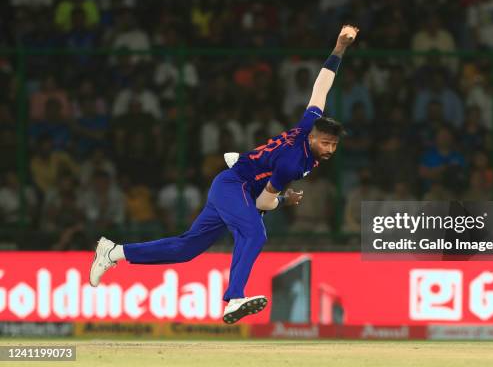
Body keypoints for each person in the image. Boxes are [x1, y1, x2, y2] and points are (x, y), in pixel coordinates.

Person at [89, 25, 359, 324]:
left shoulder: (310, 123)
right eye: (326, 142)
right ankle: (233, 298)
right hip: (234, 186)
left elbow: (321, 87)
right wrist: (285, 201)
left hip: (234, 184)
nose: (330, 148)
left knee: (187, 248)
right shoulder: (293, 164)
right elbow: (263, 204)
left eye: (334, 144)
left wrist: (339, 49)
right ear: (312, 138)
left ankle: (113, 252)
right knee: (255, 232)